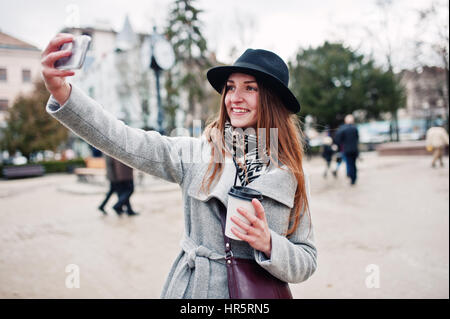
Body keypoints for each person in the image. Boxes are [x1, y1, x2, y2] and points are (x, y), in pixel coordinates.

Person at [41, 33, 317, 299]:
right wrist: (63, 93)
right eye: (230, 87)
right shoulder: (196, 153)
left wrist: (269, 243)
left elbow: (306, 258)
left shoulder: (288, 172)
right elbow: (123, 139)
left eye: (250, 88)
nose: (234, 98)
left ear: (271, 100)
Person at [334, 114, 359, 185]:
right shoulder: (355, 128)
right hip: (354, 149)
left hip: (347, 149)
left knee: (349, 163)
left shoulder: (343, 129)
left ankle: (350, 175)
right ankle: (354, 178)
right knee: (353, 164)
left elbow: (338, 139)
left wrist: (340, 145)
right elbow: (357, 138)